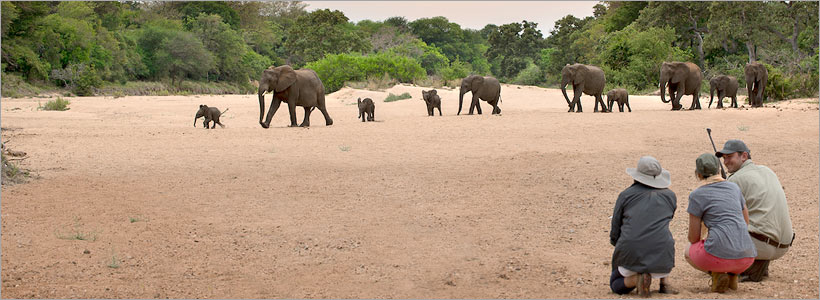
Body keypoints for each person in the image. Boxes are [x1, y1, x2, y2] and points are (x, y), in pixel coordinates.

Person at [716, 140, 795, 282]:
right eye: (724, 158)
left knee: (715, 236)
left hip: (762, 245)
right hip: (783, 245)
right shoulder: (767, 170)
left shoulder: (735, 180)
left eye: (730, 157)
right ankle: (758, 262)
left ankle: (747, 266)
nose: (725, 162)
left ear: (744, 156)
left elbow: (724, 216)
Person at [684, 153, 757, 293]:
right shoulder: (734, 188)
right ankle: (732, 276)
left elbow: (693, 237)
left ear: (698, 174)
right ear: (719, 170)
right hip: (747, 257)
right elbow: (745, 221)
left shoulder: (696, 195)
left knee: (689, 250)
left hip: (718, 256)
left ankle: (716, 274)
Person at [610, 156, 677, 297]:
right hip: (662, 255)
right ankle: (664, 282)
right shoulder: (670, 196)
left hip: (631, 250)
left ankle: (637, 279)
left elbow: (616, 227)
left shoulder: (626, 195)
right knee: (661, 232)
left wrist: (618, 245)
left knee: (615, 282)